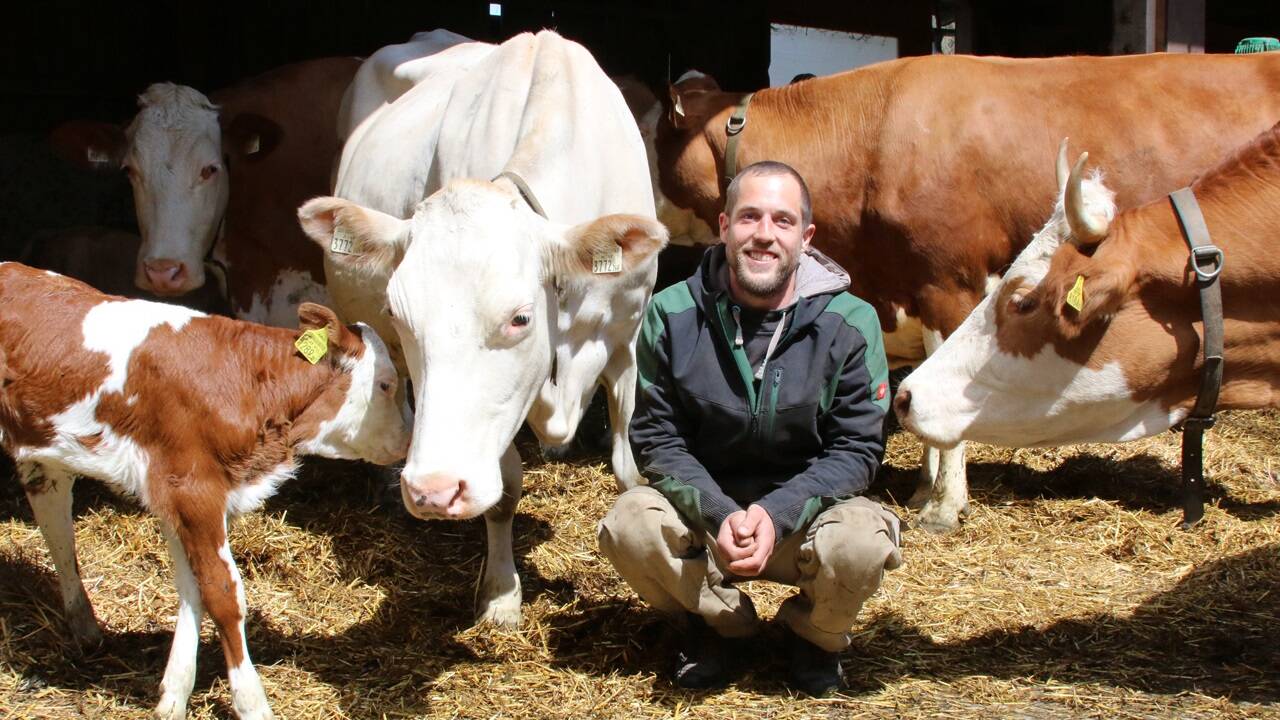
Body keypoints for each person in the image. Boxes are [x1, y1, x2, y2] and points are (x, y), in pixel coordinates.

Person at [598, 161, 902, 696]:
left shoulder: (851, 322)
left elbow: (857, 449)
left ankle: (814, 637)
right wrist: (720, 513)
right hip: (707, 519)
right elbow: (656, 438)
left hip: (804, 521)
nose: (764, 234)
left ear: (806, 237)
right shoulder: (671, 313)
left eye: (783, 221)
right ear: (723, 226)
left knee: (861, 541)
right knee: (630, 523)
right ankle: (721, 625)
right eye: (749, 217)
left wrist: (775, 514)